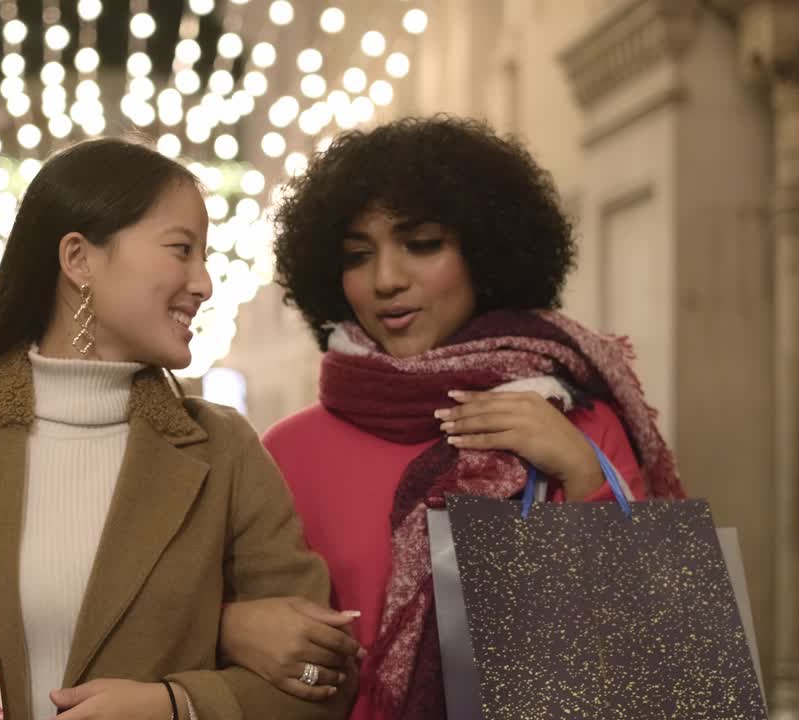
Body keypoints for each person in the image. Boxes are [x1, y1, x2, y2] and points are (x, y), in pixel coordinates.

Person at [0, 138, 354, 720]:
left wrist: (177, 706)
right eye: (182, 250)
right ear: (79, 259)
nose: (204, 283)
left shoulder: (225, 452)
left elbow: (323, 677)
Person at [217, 116, 685, 719]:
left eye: (422, 244)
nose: (387, 280)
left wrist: (581, 474)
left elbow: (649, 661)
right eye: (358, 255)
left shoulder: (579, 431)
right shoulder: (288, 452)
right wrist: (230, 627)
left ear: (483, 254)